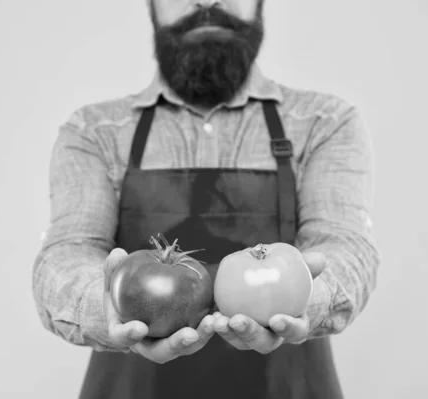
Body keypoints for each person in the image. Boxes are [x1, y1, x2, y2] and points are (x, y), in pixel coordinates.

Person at [32, 0, 380, 398]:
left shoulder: (325, 122)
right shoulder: (95, 131)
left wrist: (303, 299)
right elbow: (66, 253)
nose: (208, 1)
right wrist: (109, 306)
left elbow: (346, 247)